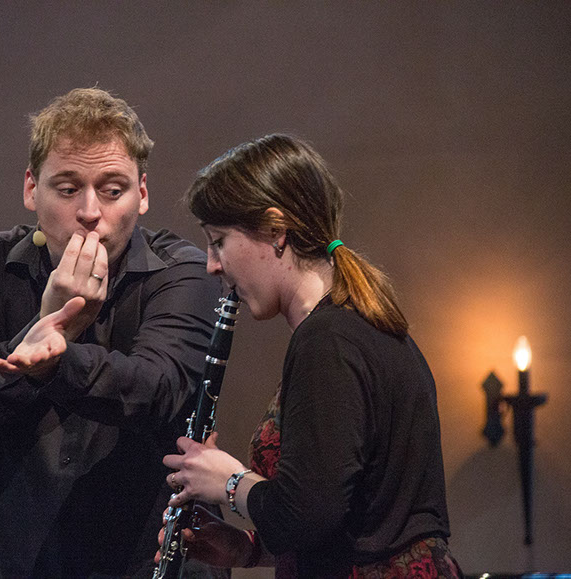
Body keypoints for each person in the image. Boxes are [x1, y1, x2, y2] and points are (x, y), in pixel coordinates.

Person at [0, 88, 227, 578]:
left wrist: (54, 357)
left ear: (142, 194)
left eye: (113, 190)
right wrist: (35, 336)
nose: (89, 211)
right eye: (66, 189)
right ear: (30, 189)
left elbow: (157, 391)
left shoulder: (182, 271)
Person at [158, 134, 463, 577]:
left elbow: (306, 513)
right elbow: (352, 522)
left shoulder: (328, 341)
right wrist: (247, 551)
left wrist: (228, 481)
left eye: (219, 241)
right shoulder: (360, 327)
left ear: (275, 230)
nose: (212, 264)